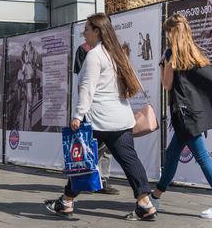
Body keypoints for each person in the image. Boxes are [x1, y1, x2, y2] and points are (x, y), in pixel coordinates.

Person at [44, 13, 157, 221]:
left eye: (87, 28)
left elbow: (87, 89)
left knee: (82, 161)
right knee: (130, 160)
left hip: (98, 119)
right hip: (121, 119)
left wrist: (78, 115)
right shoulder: (117, 53)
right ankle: (145, 204)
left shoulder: (95, 55)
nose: (83, 32)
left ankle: (66, 202)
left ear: (97, 31)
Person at [149, 13, 212, 219]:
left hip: (184, 117)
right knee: (172, 155)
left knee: (202, 157)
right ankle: (156, 197)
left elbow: (167, 85)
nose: (166, 36)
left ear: (172, 32)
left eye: (167, 32)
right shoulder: (195, 53)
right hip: (192, 115)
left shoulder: (171, 55)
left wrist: (163, 65)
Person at [73, 42, 120, 195]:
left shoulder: (112, 48)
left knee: (106, 147)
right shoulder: (84, 49)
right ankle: (85, 180)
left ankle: (103, 180)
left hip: (109, 105)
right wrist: (82, 109)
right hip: (92, 105)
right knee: (91, 145)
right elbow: (82, 80)